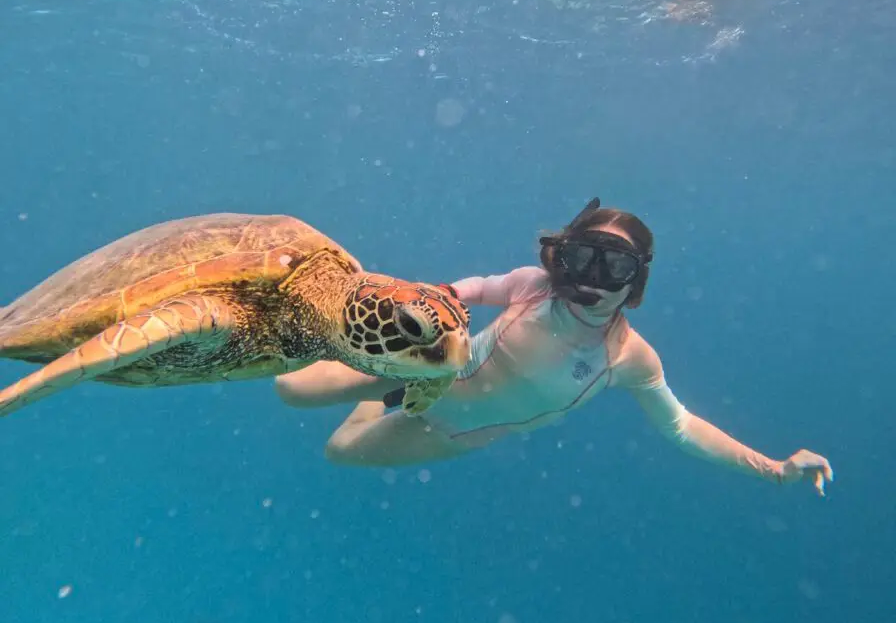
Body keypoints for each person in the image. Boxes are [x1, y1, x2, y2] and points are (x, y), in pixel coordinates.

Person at [275, 198, 833, 495]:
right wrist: (429, 302)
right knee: (290, 389)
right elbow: (472, 288)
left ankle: (381, 390)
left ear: (635, 280)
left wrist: (772, 468)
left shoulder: (630, 359)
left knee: (339, 450)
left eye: (613, 266)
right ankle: (373, 359)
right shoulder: (533, 285)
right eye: (583, 258)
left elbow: (682, 426)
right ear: (561, 258)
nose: (592, 279)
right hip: (427, 367)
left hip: (449, 431)